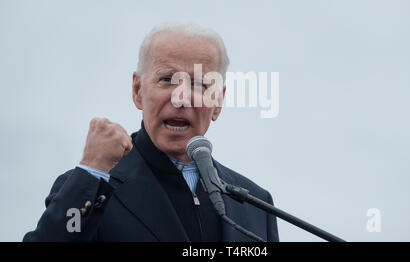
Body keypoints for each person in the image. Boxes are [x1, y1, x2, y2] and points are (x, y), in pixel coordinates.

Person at [23, 22, 279, 242]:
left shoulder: (256, 206)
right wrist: (92, 171)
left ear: (218, 101)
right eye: (167, 79)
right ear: (137, 90)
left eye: (199, 83)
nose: (181, 98)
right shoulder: (90, 189)